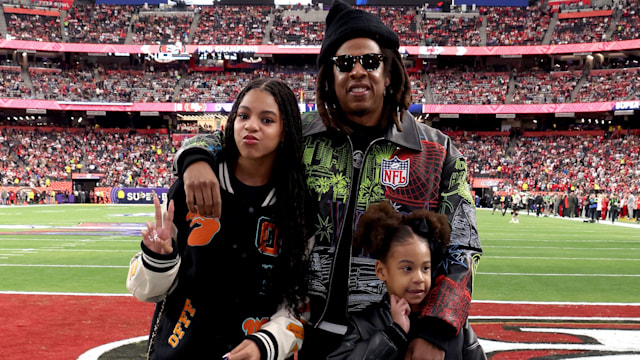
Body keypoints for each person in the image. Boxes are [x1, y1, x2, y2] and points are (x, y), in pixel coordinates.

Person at [172, 1, 483, 359]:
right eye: (344, 63)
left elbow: (462, 249)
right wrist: (196, 157)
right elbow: (240, 137)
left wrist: (435, 332)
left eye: (369, 61)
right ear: (328, 76)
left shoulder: (437, 152)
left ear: (390, 71)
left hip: (403, 336)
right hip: (310, 336)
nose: (357, 72)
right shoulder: (300, 138)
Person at [126, 78, 311, 360]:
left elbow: (298, 303)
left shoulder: (299, 206)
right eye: (244, 115)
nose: (251, 125)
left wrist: (266, 345)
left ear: (285, 132)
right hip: (179, 353)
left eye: (267, 120)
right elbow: (145, 291)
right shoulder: (192, 186)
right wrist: (158, 258)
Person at [327, 201, 485, 360]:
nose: (419, 278)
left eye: (425, 268)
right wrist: (393, 334)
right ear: (381, 271)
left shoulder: (453, 326)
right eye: (407, 268)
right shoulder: (363, 324)